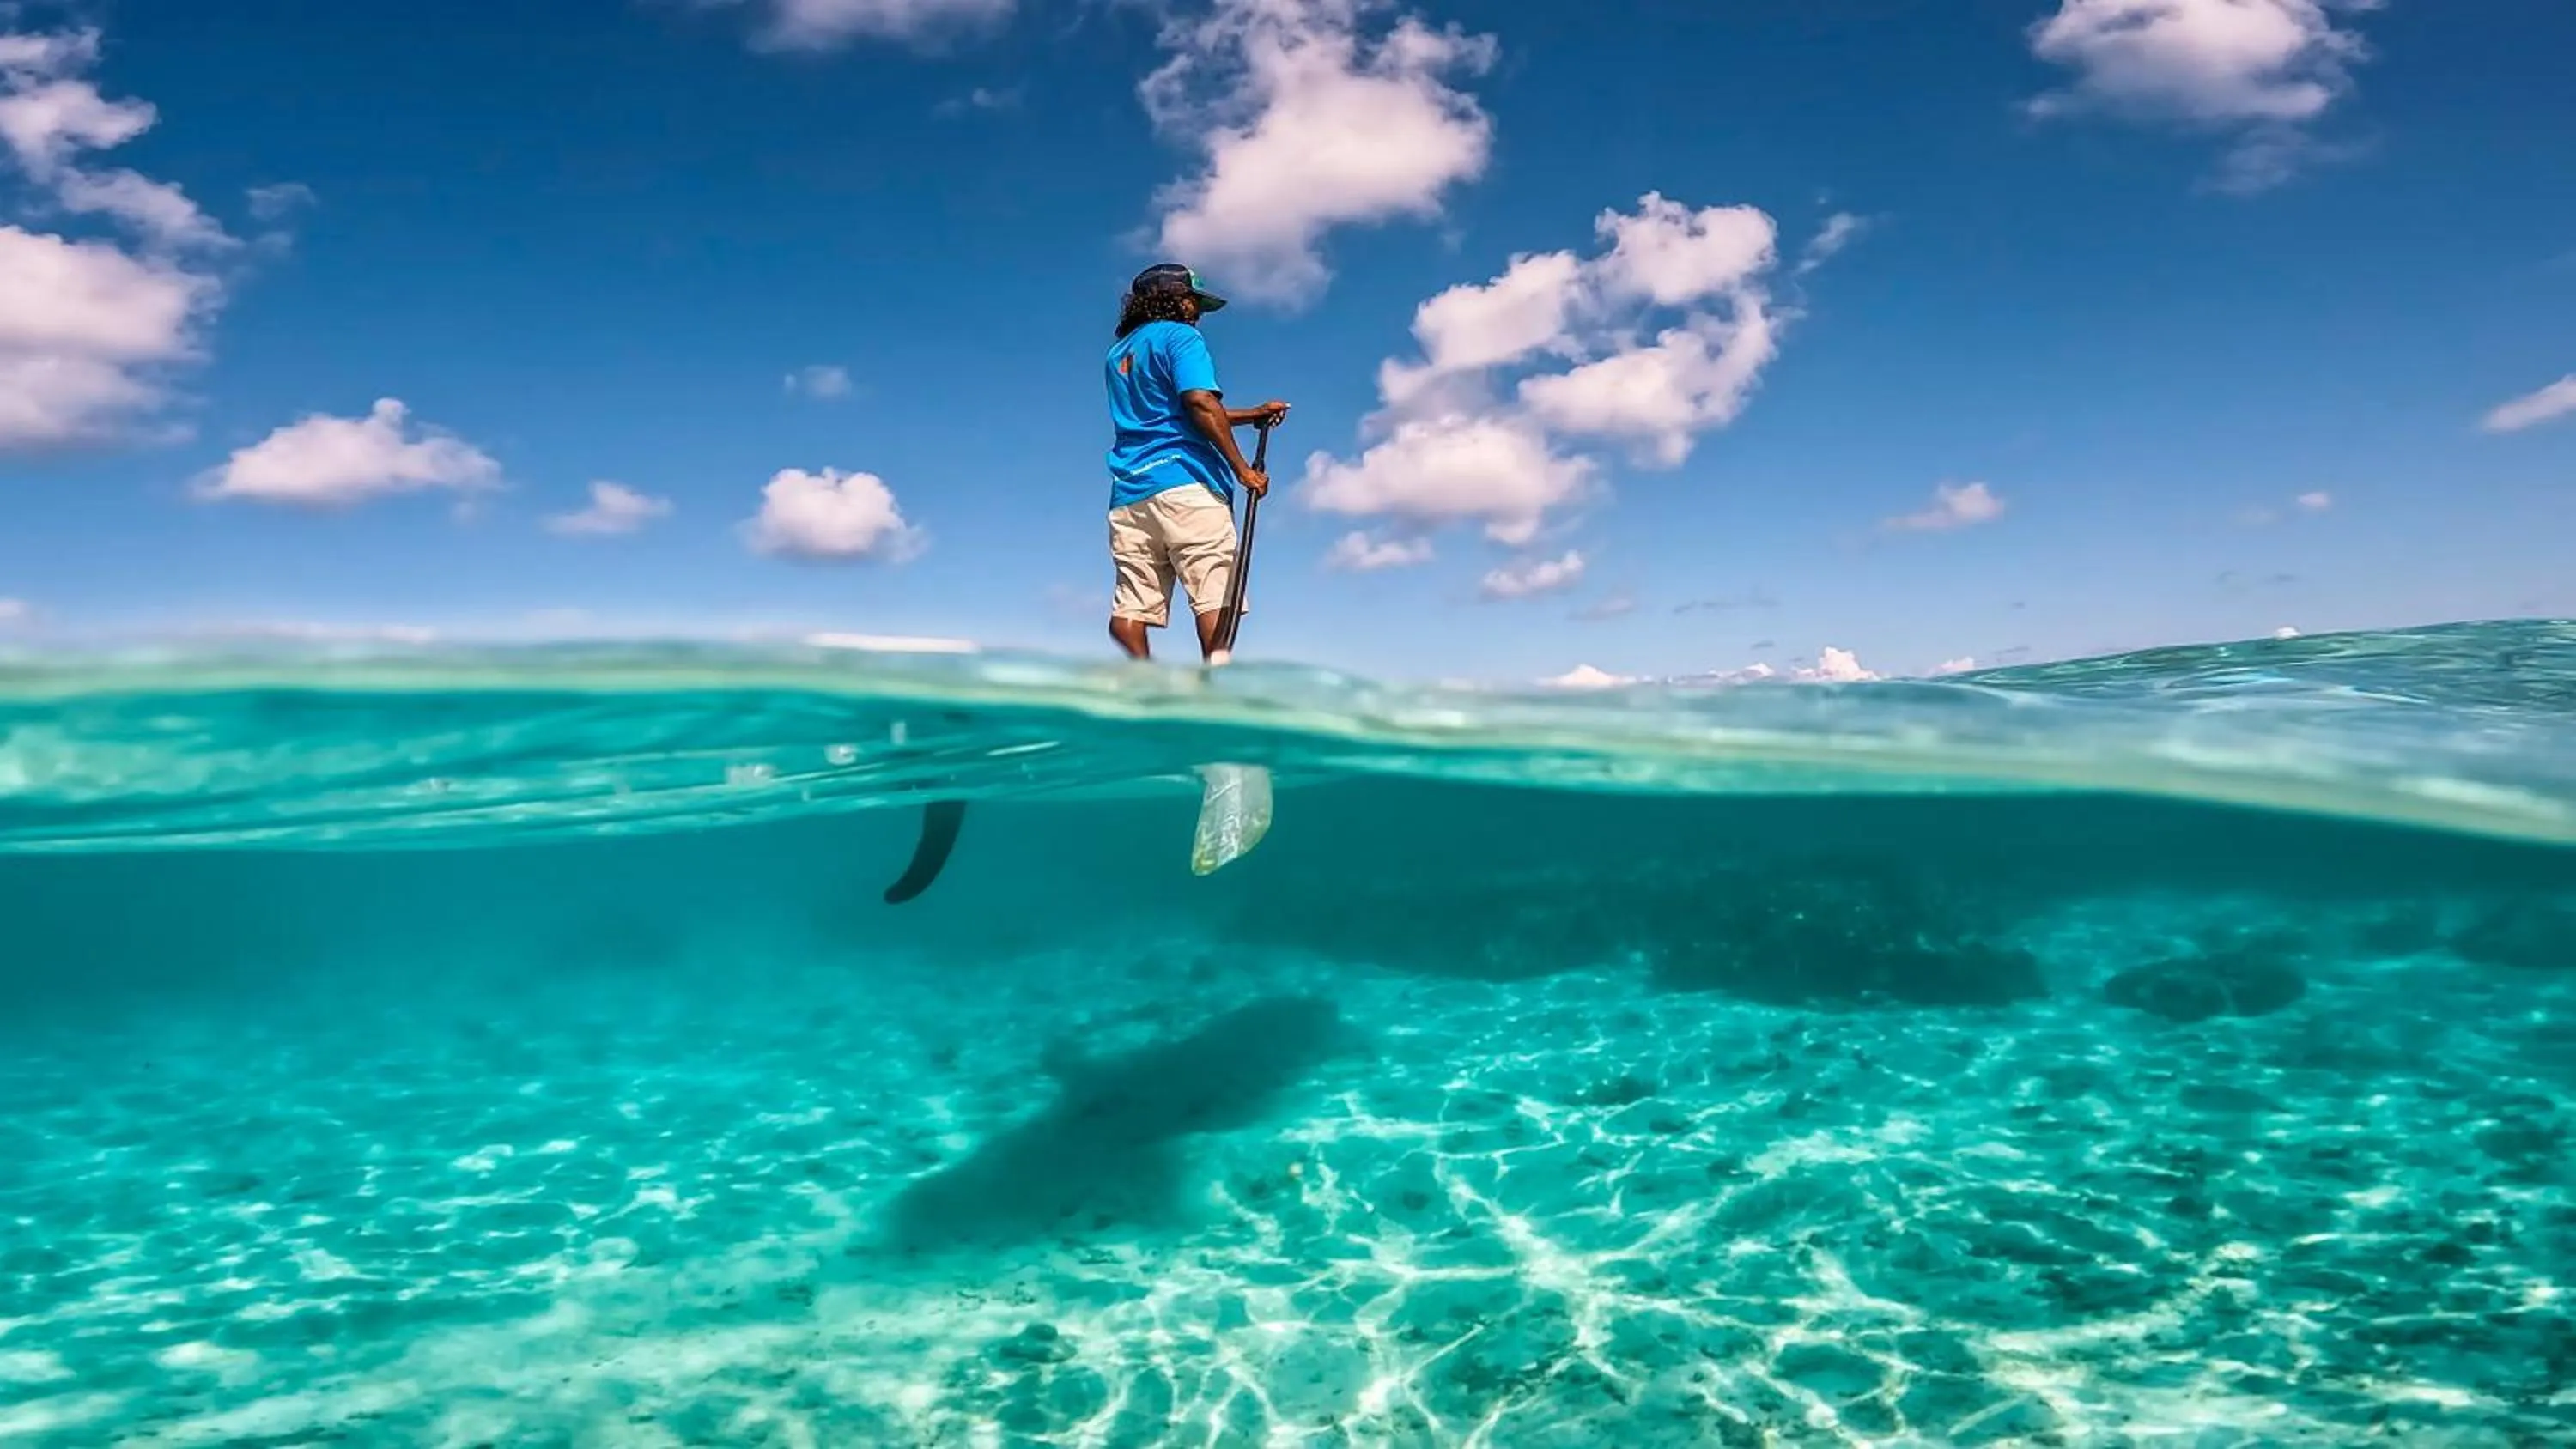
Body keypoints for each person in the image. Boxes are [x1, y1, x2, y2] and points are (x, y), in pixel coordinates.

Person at [1103, 263, 1289, 664]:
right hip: (1187, 485)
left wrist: (1253, 414)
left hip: (1130, 496)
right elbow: (1200, 402)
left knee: (1132, 607)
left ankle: (1146, 682)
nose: (1197, 312)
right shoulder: (1181, 336)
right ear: (1169, 298)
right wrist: (1244, 470)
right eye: (1192, 301)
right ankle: (1215, 687)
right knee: (1215, 594)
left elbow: (1177, 413)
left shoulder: (1118, 354)